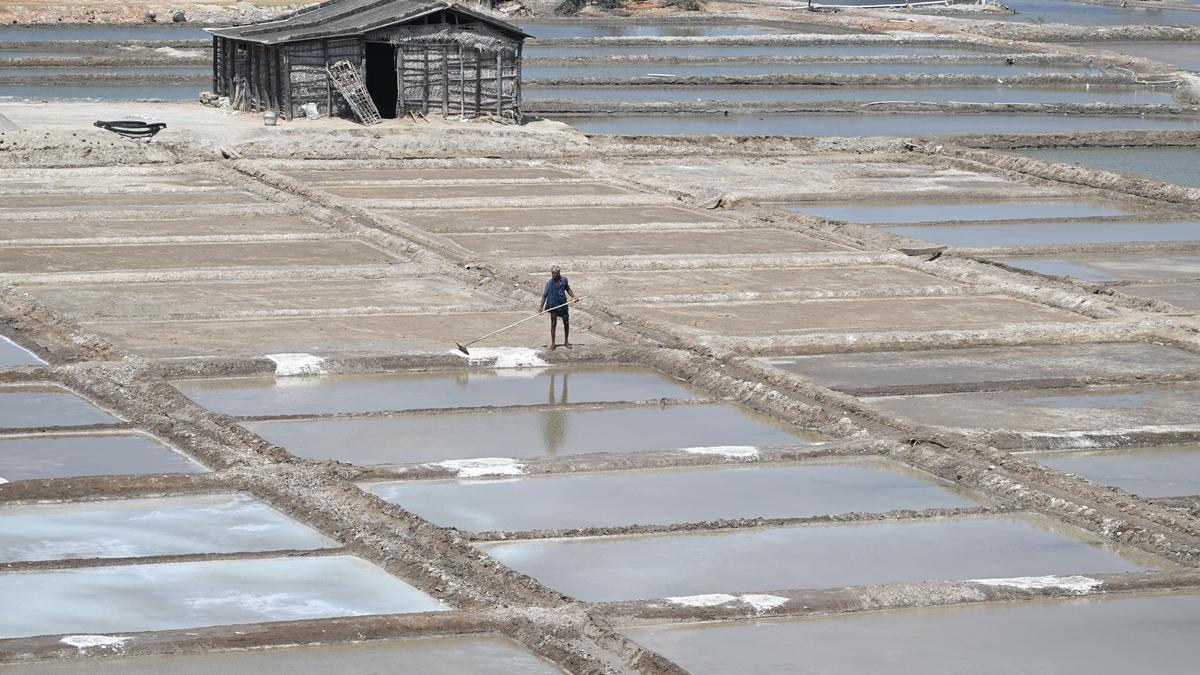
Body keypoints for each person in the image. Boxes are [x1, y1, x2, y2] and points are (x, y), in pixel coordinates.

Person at [539, 264, 577, 350]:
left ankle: (566, 341)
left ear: (559, 273)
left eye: (555, 274)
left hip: (562, 303)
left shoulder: (564, 280)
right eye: (552, 273)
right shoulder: (549, 283)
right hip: (553, 304)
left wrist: (573, 297)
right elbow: (544, 295)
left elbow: (568, 289)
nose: (553, 275)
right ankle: (553, 343)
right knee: (553, 324)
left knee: (566, 322)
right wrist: (541, 307)